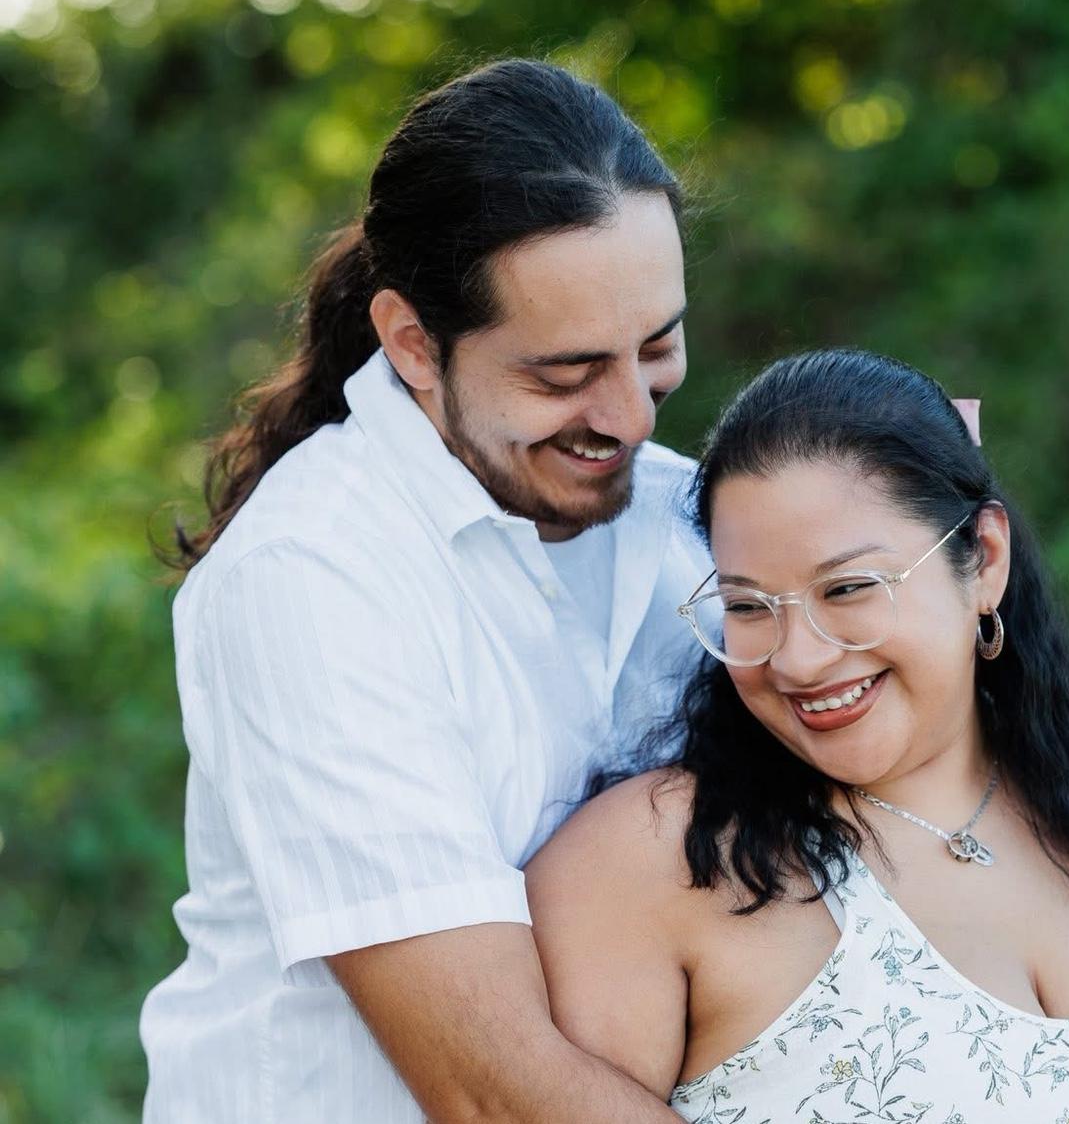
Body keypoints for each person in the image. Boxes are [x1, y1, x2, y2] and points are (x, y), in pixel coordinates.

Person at [140, 59, 712, 1122]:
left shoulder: (690, 517)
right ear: (413, 344)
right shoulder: (312, 575)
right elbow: (488, 1088)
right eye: (564, 372)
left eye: (657, 346)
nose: (633, 416)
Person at [526, 349, 1069, 1123]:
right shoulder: (652, 859)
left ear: (985, 560)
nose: (797, 659)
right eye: (750, 606)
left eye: (848, 588)